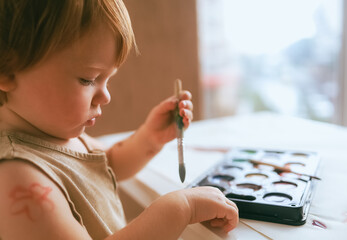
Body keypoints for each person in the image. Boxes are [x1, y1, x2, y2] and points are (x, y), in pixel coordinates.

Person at [0, 0, 239, 239]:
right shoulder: (17, 179)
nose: (105, 96)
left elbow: (111, 163)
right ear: (7, 70)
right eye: (87, 79)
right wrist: (180, 208)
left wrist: (150, 138)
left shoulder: (59, 135)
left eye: (107, 79)